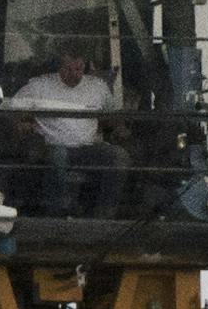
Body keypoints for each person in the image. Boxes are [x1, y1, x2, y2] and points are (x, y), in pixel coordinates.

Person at [10, 49, 127, 216]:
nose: (74, 74)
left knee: (119, 156)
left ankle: (105, 214)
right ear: (59, 68)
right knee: (58, 156)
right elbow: (12, 109)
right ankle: (58, 213)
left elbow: (113, 116)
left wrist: (119, 128)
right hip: (51, 146)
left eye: (78, 69)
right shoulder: (39, 86)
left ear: (84, 67)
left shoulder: (97, 87)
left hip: (88, 148)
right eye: (68, 69)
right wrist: (23, 124)